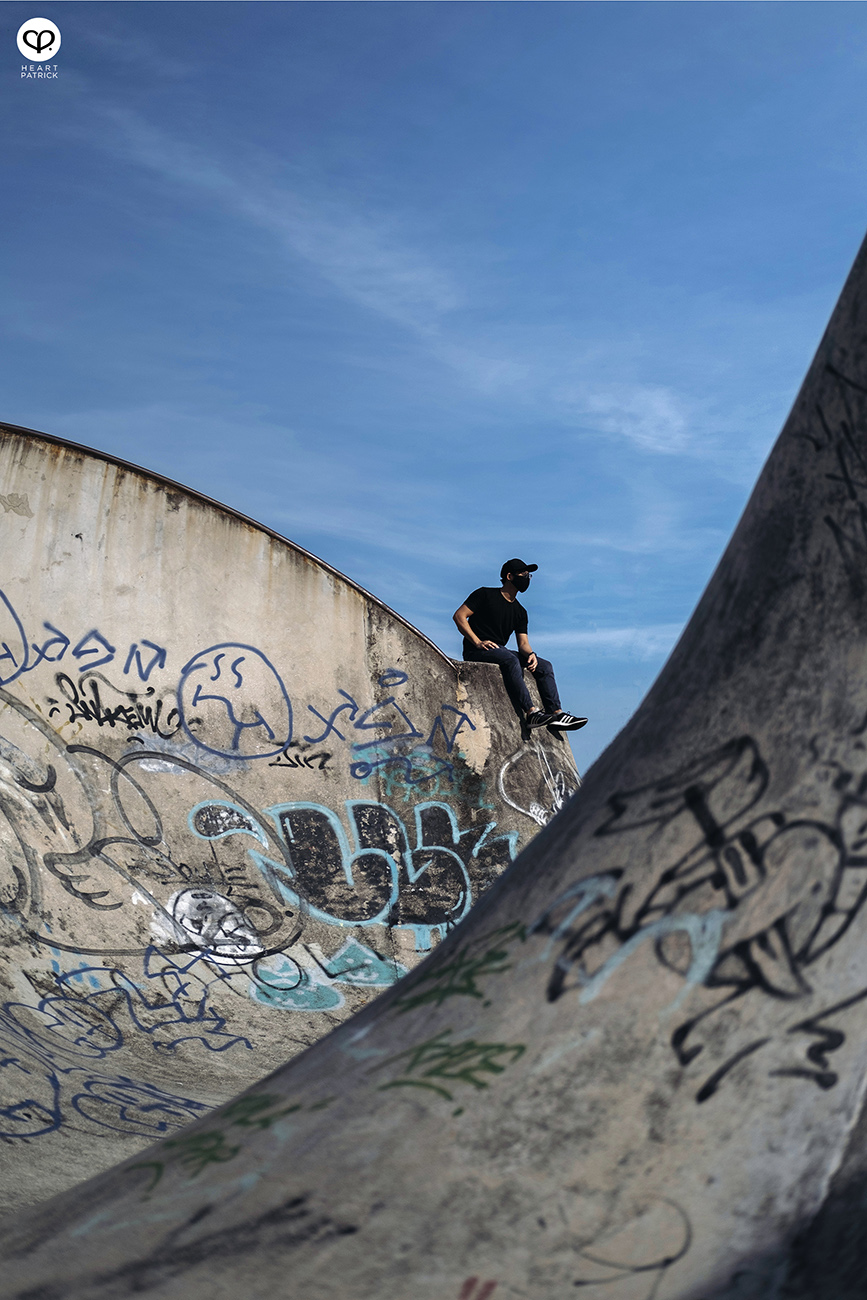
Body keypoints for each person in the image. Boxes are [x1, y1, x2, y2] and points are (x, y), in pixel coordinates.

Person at [453, 559, 587, 731]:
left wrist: (531, 654)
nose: (527, 578)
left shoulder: (520, 612)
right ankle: (532, 713)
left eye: (528, 575)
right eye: (523, 574)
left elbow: (523, 643)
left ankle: (557, 714)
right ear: (509, 576)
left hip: (499, 650)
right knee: (510, 659)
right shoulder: (485, 594)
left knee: (545, 666)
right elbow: (459, 616)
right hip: (477, 651)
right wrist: (477, 642)